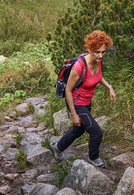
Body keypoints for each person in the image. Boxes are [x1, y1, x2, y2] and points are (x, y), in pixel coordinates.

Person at [50, 30, 117, 168]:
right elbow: (68, 90)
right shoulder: (79, 67)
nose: (100, 55)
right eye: (97, 52)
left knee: (79, 129)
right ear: (90, 49)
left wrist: (109, 87)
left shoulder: (99, 61)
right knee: (96, 132)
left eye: (103, 52)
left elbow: (98, 77)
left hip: (86, 102)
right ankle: (94, 158)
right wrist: (74, 114)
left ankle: (58, 147)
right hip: (76, 103)